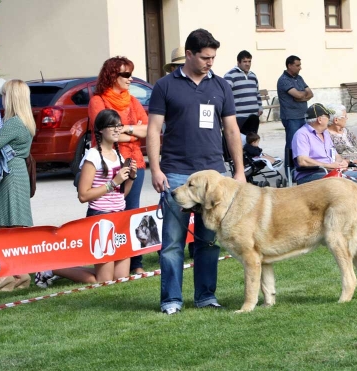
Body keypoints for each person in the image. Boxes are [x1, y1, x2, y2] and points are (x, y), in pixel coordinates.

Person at [147, 29, 246, 315]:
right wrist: (155, 168)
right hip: (176, 174)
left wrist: (238, 170)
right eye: (205, 57)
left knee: (209, 241)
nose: (210, 62)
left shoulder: (222, 86)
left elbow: (231, 129)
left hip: (213, 177)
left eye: (213, 57)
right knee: (172, 243)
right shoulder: (165, 86)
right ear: (188, 55)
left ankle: (205, 296)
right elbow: (154, 129)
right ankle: (171, 300)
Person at [36, 110, 137, 286]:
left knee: (120, 279)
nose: (117, 129)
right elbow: (83, 195)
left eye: (119, 125)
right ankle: (50, 268)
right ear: (100, 130)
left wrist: (131, 178)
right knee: (103, 280)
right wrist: (113, 182)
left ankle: (54, 269)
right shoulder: (93, 156)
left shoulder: (118, 155)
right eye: (112, 125)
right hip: (101, 217)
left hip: (119, 216)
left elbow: (122, 194)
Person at [88, 56, 148, 275]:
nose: (130, 79)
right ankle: (105, 258)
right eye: (125, 74)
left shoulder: (132, 101)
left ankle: (136, 263)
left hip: (135, 163)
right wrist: (134, 131)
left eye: (131, 74)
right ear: (112, 75)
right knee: (107, 211)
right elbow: (106, 134)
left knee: (133, 212)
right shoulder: (98, 101)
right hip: (108, 164)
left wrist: (125, 129)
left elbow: (147, 130)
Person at [0, 80, 35, 291]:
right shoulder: (25, 122)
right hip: (17, 175)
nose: (1, 98)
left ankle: (7, 276)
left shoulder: (13, 123)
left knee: (3, 227)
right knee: (14, 227)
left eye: (3, 95)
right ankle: (21, 275)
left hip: (9, 177)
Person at [292, 103, 357, 189]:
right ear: (319, 120)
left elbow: (335, 154)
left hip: (331, 172)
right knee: (341, 182)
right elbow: (303, 161)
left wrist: (342, 162)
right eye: (328, 116)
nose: (330, 119)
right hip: (312, 175)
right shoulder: (302, 134)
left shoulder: (325, 133)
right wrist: (328, 166)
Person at [277, 55, 313, 170]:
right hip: (291, 117)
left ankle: (303, 168)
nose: (300, 68)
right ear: (289, 65)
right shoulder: (284, 80)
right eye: (297, 65)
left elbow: (310, 93)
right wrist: (301, 95)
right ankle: (290, 170)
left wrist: (301, 97)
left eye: (300, 65)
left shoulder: (299, 78)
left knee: (304, 144)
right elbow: (298, 94)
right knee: (292, 144)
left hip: (303, 116)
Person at [224, 50, 263, 129]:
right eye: (245, 61)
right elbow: (225, 94)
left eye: (249, 61)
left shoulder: (253, 76)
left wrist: (260, 107)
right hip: (239, 116)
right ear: (238, 62)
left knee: (252, 141)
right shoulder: (230, 75)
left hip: (254, 116)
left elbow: (257, 93)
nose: (247, 64)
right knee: (239, 140)